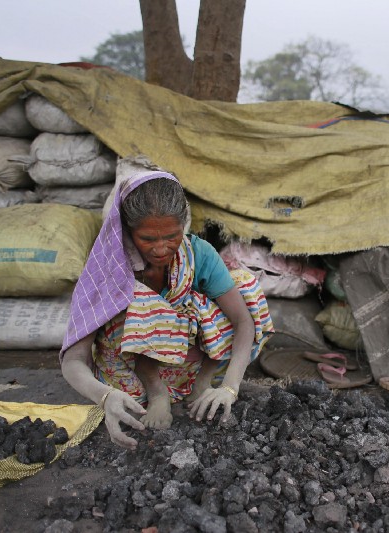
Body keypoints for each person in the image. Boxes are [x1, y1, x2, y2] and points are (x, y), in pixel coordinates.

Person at [60, 171, 274, 448]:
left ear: (183, 226)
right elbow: (73, 360)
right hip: (130, 371)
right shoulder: (109, 266)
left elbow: (243, 323)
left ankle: (201, 384)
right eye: (148, 239)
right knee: (140, 300)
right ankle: (157, 392)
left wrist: (230, 388)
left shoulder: (198, 254)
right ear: (127, 230)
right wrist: (104, 396)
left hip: (193, 365)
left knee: (244, 286)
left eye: (171, 237)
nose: (161, 249)